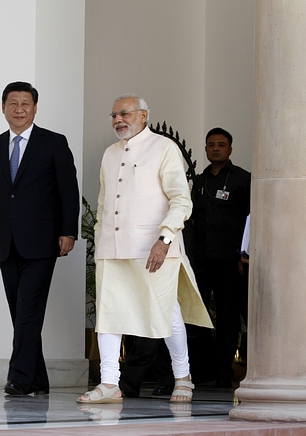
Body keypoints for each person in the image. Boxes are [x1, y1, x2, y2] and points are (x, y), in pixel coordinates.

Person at [77, 94, 212, 404]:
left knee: (168, 314)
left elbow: (181, 199)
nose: (117, 120)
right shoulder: (110, 153)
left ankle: (183, 376)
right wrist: (100, 246)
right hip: (113, 248)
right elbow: (102, 205)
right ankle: (110, 383)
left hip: (156, 248)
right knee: (108, 314)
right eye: (113, 115)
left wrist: (165, 239)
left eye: (124, 113)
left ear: (143, 115)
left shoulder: (165, 148)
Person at [0, 81, 80, 396]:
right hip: (7, 242)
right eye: (13, 104)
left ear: (35, 108)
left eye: (26, 104)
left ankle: (19, 379)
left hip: (43, 242)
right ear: (4, 108)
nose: (19, 109)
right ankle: (38, 379)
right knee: (21, 313)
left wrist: (68, 231)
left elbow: (68, 189)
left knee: (28, 311)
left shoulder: (53, 143)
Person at [191, 127, 251, 389]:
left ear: (230, 149)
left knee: (227, 316)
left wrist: (244, 254)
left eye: (221, 144)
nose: (215, 148)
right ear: (205, 149)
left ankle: (225, 371)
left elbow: (251, 220)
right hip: (200, 260)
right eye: (211, 145)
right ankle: (199, 369)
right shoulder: (199, 181)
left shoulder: (242, 179)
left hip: (230, 260)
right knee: (195, 314)